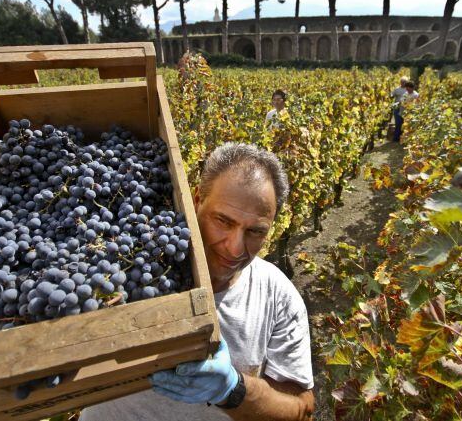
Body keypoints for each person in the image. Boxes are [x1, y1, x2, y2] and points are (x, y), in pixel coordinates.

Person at [81, 143, 315, 421]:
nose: (235, 248)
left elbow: (302, 407)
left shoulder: (279, 298)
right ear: (196, 201)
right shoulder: (129, 263)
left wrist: (233, 389)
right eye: (223, 221)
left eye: (255, 231)